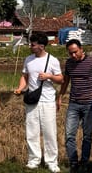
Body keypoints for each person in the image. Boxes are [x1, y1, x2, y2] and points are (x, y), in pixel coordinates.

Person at [14, 33, 63, 173]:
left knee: (49, 132)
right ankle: (33, 160)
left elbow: (61, 79)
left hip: (47, 100)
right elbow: (25, 76)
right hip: (31, 99)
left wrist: (49, 76)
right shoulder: (28, 60)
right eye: (31, 44)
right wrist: (20, 88)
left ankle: (52, 161)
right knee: (32, 131)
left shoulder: (52, 60)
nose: (31, 46)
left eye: (33, 44)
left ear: (41, 46)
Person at [59, 39, 92, 172]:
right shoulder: (69, 63)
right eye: (70, 53)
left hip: (89, 104)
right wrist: (60, 96)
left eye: (75, 52)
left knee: (87, 136)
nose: (73, 55)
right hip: (73, 103)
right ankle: (73, 162)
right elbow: (66, 81)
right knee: (69, 135)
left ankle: (84, 162)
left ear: (81, 49)